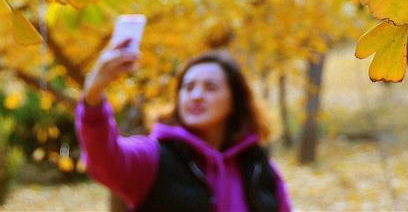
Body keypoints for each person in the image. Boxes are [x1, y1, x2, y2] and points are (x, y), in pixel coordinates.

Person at [76, 40, 292, 212]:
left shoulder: (260, 169)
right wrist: (93, 97)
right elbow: (105, 160)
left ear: (235, 100)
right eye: (188, 87)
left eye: (210, 87)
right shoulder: (154, 157)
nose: (196, 96)